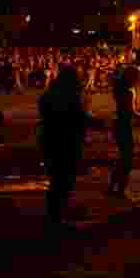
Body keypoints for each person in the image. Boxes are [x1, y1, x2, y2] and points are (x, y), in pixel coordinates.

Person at [38, 65, 102, 227]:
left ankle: (55, 213)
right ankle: (57, 217)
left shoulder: (49, 95)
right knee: (64, 179)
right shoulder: (71, 98)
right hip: (67, 142)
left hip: (50, 140)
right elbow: (80, 118)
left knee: (56, 178)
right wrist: (99, 122)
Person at [108, 65, 140, 200]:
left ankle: (112, 186)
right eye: (139, 74)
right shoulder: (129, 91)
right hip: (124, 126)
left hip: (117, 123)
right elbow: (131, 112)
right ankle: (121, 190)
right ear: (133, 76)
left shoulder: (119, 87)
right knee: (127, 159)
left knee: (122, 157)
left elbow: (126, 108)